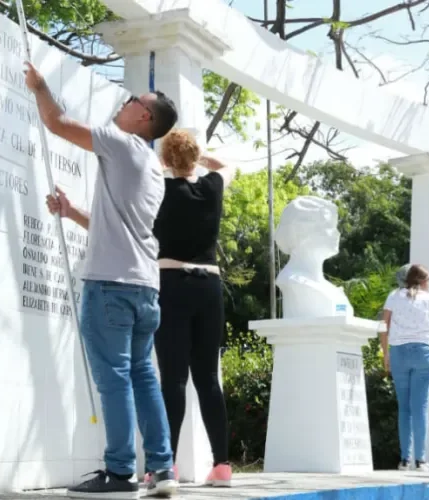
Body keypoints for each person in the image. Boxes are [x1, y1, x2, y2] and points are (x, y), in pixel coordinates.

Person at [24, 61, 180, 499]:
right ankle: (163, 469)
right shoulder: (152, 169)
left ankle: (118, 473)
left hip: (110, 286)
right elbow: (122, 227)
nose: (124, 103)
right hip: (144, 286)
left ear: (143, 117)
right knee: (143, 376)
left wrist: (39, 87)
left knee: (114, 378)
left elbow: (57, 123)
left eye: (132, 101)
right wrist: (73, 213)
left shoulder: (120, 142)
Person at [149, 129, 237, 486]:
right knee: (207, 379)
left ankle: (165, 465)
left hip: (172, 284)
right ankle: (222, 466)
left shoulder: (159, 189)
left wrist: (166, 162)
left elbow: (148, 170)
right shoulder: (212, 186)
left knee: (173, 379)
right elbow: (231, 165)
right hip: (209, 286)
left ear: (167, 160)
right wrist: (199, 158)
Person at [380, 264, 429, 472]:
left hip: (399, 353)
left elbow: (384, 328)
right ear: (423, 281)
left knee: (405, 408)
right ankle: (420, 460)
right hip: (423, 354)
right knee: (420, 407)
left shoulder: (393, 296)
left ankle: (404, 460)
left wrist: (386, 354)